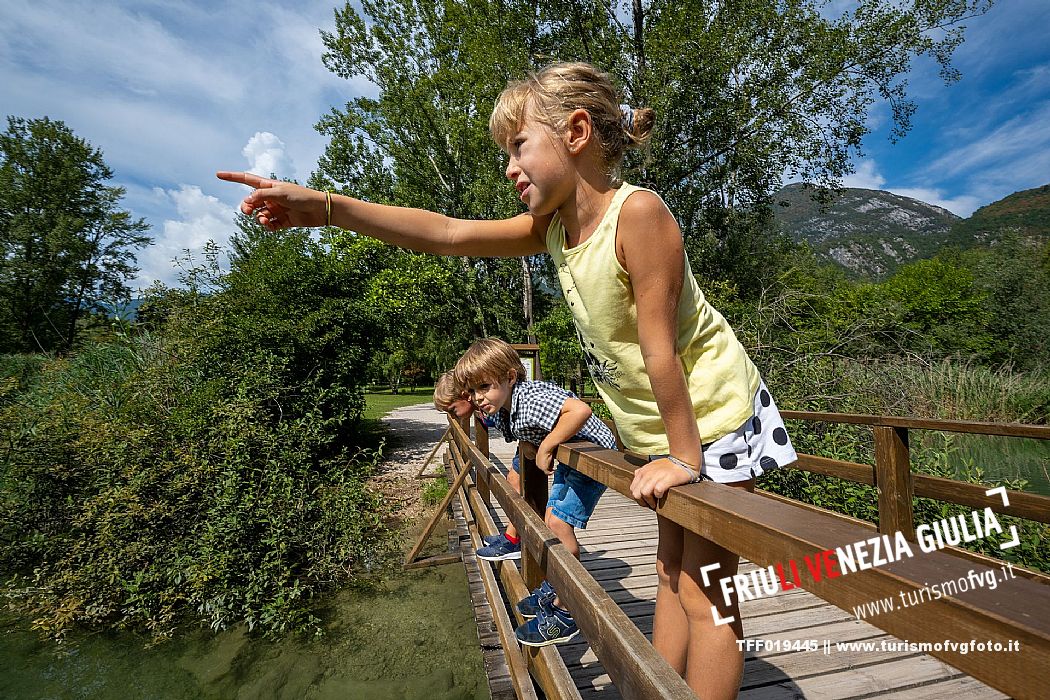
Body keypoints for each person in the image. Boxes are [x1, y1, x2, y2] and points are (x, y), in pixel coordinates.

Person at [217, 61, 796, 698]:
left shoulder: (639, 214)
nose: (509, 167)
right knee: (665, 574)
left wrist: (684, 458)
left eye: (519, 146)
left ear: (576, 132)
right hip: (667, 433)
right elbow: (447, 233)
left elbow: (662, 352)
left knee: (704, 594)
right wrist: (326, 208)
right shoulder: (553, 230)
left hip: (712, 420)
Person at [454, 337, 617, 648]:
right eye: (473, 391)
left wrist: (547, 445)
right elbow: (528, 435)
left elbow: (579, 410)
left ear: (510, 377)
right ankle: (556, 586)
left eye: (485, 386)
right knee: (550, 521)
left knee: (557, 524)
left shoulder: (529, 401)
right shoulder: (506, 408)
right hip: (574, 458)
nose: (478, 397)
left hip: (593, 456)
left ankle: (567, 611)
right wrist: (533, 445)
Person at [434, 371, 523, 557]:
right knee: (513, 480)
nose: (452, 415)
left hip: (531, 441)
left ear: (465, 397)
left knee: (515, 483)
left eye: (452, 410)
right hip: (527, 442)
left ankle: (514, 540)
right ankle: (511, 535)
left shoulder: (486, 402)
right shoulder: (480, 405)